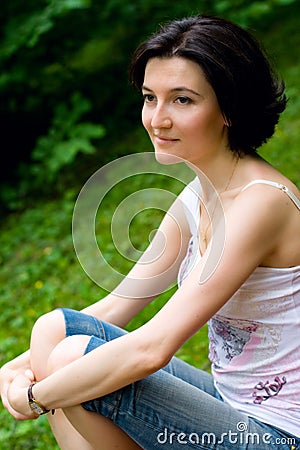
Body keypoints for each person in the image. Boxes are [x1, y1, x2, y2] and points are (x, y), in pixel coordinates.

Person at [1, 14, 300, 450]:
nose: (157, 119)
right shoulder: (199, 193)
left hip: (281, 436)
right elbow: (120, 304)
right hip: (231, 406)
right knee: (55, 332)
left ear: (229, 108)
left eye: (182, 100)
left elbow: (152, 348)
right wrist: (16, 367)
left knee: (73, 359)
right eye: (149, 98)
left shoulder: (262, 204)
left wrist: (35, 396)